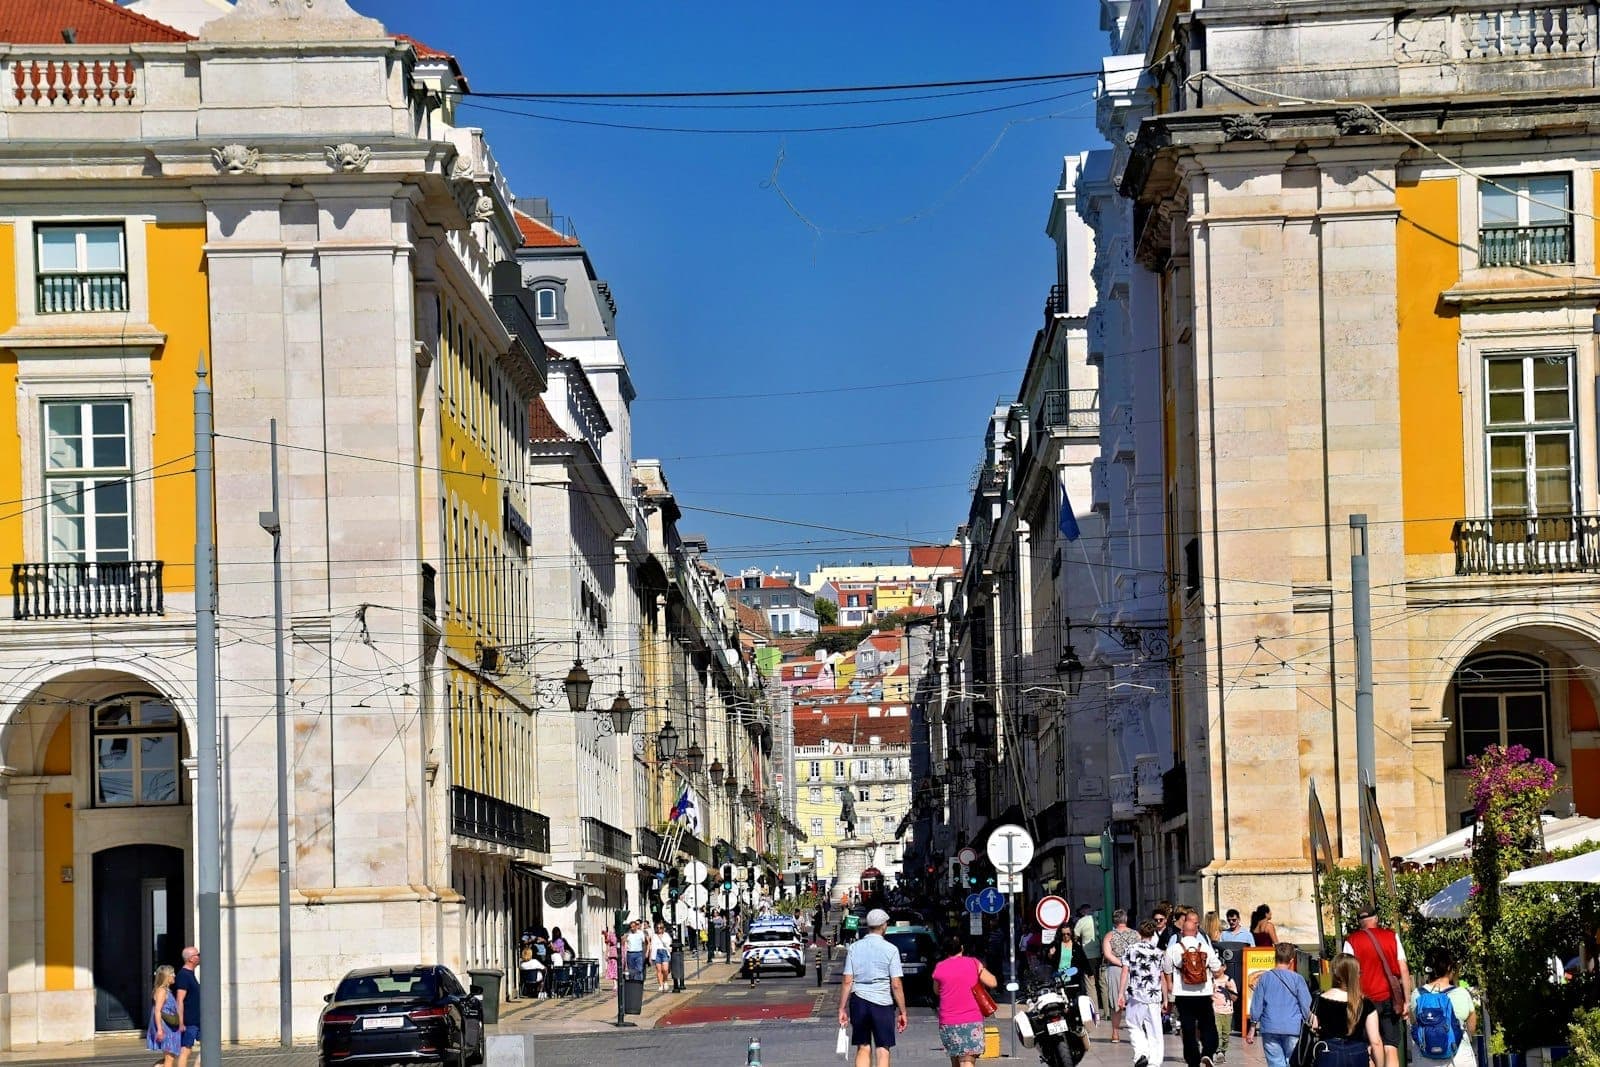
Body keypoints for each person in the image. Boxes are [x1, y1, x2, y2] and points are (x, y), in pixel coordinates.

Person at [1342, 907, 1413, 1067]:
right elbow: (1403, 968)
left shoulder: (1351, 941)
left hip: (1364, 1000)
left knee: (1370, 1046)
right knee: (1391, 1046)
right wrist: (1407, 1001)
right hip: (1390, 998)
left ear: (1360, 922)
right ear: (1376, 919)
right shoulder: (1391, 936)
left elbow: (1348, 974)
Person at [837, 908, 908, 1067]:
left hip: (859, 1001)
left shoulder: (854, 948)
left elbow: (848, 980)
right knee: (883, 1048)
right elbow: (896, 984)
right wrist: (902, 1011)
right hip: (882, 1003)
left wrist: (842, 1008)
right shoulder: (891, 949)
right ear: (883, 926)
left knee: (863, 1046)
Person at [1164, 906, 1226, 1067]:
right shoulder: (1205, 947)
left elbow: (1166, 969)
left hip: (1183, 995)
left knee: (1188, 1028)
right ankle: (1207, 1052)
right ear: (1196, 930)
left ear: (1183, 931)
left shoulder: (1173, 949)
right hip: (1203, 993)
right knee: (1208, 1025)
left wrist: (1170, 984)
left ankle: (1193, 1060)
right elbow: (1216, 969)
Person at [932, 934, 998, 1067]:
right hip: (971, 1020)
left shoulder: (940, 967)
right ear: (961, 948)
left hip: (948, 1022)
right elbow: (993, 982)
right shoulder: (973, 963)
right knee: (967, 1061)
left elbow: (936, 991)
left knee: (955, 1060)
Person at [1244, 943, 1314, 1067]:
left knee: (1275, 1062)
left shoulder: (1264, 978)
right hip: (1293, 1027)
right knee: (1293, 1061)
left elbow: (1257, 1004)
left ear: (1274, 958)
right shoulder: (1297, 979)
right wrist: (1310, 1020)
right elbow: (1305, 1004)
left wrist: (1252, 1028)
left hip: (1270, 1027)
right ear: (1292, 961)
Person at [1409, 947, 1476, 1067]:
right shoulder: (1462, 993)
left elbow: (1414, 1023)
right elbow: (1472, 1028)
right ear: (1449, 968)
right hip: (1458, 1057)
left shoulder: (1416, 995)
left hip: (1425, 1058)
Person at [1315, 955, 1384, 1067]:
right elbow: (1376, 1042)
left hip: (1328, 1053)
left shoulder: (1320, 1000)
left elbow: (1313, 1026)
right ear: (1355, 974)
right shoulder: (1365, 1003)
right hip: (1357, 1054)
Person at [1118, 920, 1165, 1067]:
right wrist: (1165, 998)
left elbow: (1125, 972)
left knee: (1133, 1024)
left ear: (1139, 933)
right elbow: (1162, 976)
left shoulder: (1130, 949)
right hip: (1153, 995)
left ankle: (1141, 1052)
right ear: (1153, 934)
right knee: (1155, 1030)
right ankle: (1155, 1062)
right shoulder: (1158, 953)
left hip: (1135, 993)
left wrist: (1120, 993)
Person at [1103, 909, 1141, 1044]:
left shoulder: (1109, 936)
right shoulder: (1136, 934)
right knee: (1134, 1001)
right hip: (1133, 969)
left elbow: (1107, 954)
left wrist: (1120, 963)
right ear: (1126, 919)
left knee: (1116, 1002)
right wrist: (1129, 964)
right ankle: (1136, 1031)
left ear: (1114, 921)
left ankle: (1115, 1033)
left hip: (1115, 969)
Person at [148, 964, 183, 1067]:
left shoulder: (167, 990)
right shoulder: (162, 991)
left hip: (171, 1027)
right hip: (166, 1027)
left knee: (169, 1057)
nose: (174, 975)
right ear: (166, 976)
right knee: (169, 1058)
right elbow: (157, 1010)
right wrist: (159, 1029)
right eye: (172, 973)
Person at [175, 946, 200, 1067]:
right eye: (197, 955)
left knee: (208, 1047)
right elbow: (179, 1000)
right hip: (189, 1020)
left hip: (198, 1019)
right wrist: (181, 1022)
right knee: (186, 1050)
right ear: (190, 959)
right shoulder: (184, 975)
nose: (199, 957)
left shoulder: (190, 974)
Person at [1075, 905, 1103, 1012]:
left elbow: (1075, 936)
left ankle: (1095, 1010)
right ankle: (1106, 1009)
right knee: (1101, 982)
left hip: (1087, 955)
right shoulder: (1099, 919)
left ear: (1083, 911)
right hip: (1101, 954)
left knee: (1090, 983)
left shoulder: (1082, 921)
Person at [650, 921, 673, 992]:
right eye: (657, 928)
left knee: (665, 969)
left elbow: (669, 943)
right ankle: (660, 985)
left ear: (663, 929)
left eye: (661, 928)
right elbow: (652, 946)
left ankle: (665, 981)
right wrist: (651, 957)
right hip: (657, 953)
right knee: (659, 970)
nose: (659, 929)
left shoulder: (666, 935)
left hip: (664, 952)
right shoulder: (654, 936)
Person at [603, 927, 619, 992]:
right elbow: (608, 944)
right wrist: (606, 953)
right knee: (613, 969)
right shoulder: (611, 934)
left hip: (620, 952)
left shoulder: (622, 934)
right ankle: (615, 984)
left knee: (619, 969)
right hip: (613, 953)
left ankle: (619, 983)